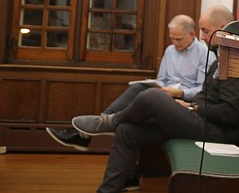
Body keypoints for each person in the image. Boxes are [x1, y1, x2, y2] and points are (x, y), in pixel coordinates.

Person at [59, 5, 239, 193]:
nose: (203, 36)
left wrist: (193, 108)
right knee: (127, 132)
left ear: (222, 29)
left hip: (217, 133)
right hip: (201, 121)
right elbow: (208, 98)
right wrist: (188, 106)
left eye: (205, 30)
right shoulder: (221, 57)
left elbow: (230, 114)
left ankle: (108, 122)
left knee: (152, 97)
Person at [46, 14, 212, 153]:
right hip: (163, 94)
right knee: (137, 92)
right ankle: (100, 133)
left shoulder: (205, 54)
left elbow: (202, 90)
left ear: (191, 34)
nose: (174, 43)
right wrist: (154, 83)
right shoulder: (170, 50)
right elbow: (163, 79)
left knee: (138, 92)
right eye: (172, 38)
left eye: (179, 39)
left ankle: (90, 131)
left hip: (183, 102)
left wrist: (180, 93)